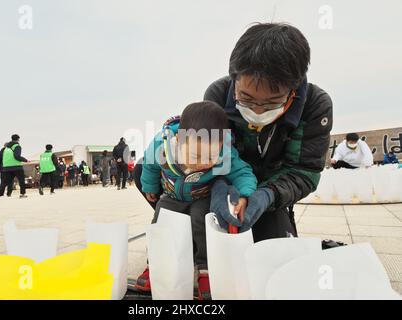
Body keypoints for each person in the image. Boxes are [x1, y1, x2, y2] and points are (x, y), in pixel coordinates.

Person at [133, 23, 333, 298]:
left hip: (266, 189)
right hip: (220, 184)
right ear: (234, 79)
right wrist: (219, 188)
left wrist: (264, 196)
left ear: (293, 90)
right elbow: (206, 155)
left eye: (272, 102)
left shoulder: (316, 106)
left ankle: (213, 254)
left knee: (272, 262)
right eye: (247, 98)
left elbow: (304, 171)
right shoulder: (217, 95)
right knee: (152, 179)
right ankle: (182, 241)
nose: (257, 110)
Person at [136, 101, 257, 299]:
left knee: (203, 223)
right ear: (179, 140)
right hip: (172, 196)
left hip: (202, 196)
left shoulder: (225, 153)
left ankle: (205, 270)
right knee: (161, 223)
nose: (201, 163)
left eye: (210, 156)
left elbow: (243, 173)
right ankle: (156, 265)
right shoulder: (162, 146)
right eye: (195, 155)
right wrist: (149, 187)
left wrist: (245, 194)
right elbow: (149, 166)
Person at [0, 134, 29, 200]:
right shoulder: (17, 146)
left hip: (6, 167)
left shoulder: (6, 148)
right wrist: (25, 160)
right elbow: (16, 156)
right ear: (18, 139)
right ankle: (22, 194)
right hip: (16, 167)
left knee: (7, 181)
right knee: (21, 180)